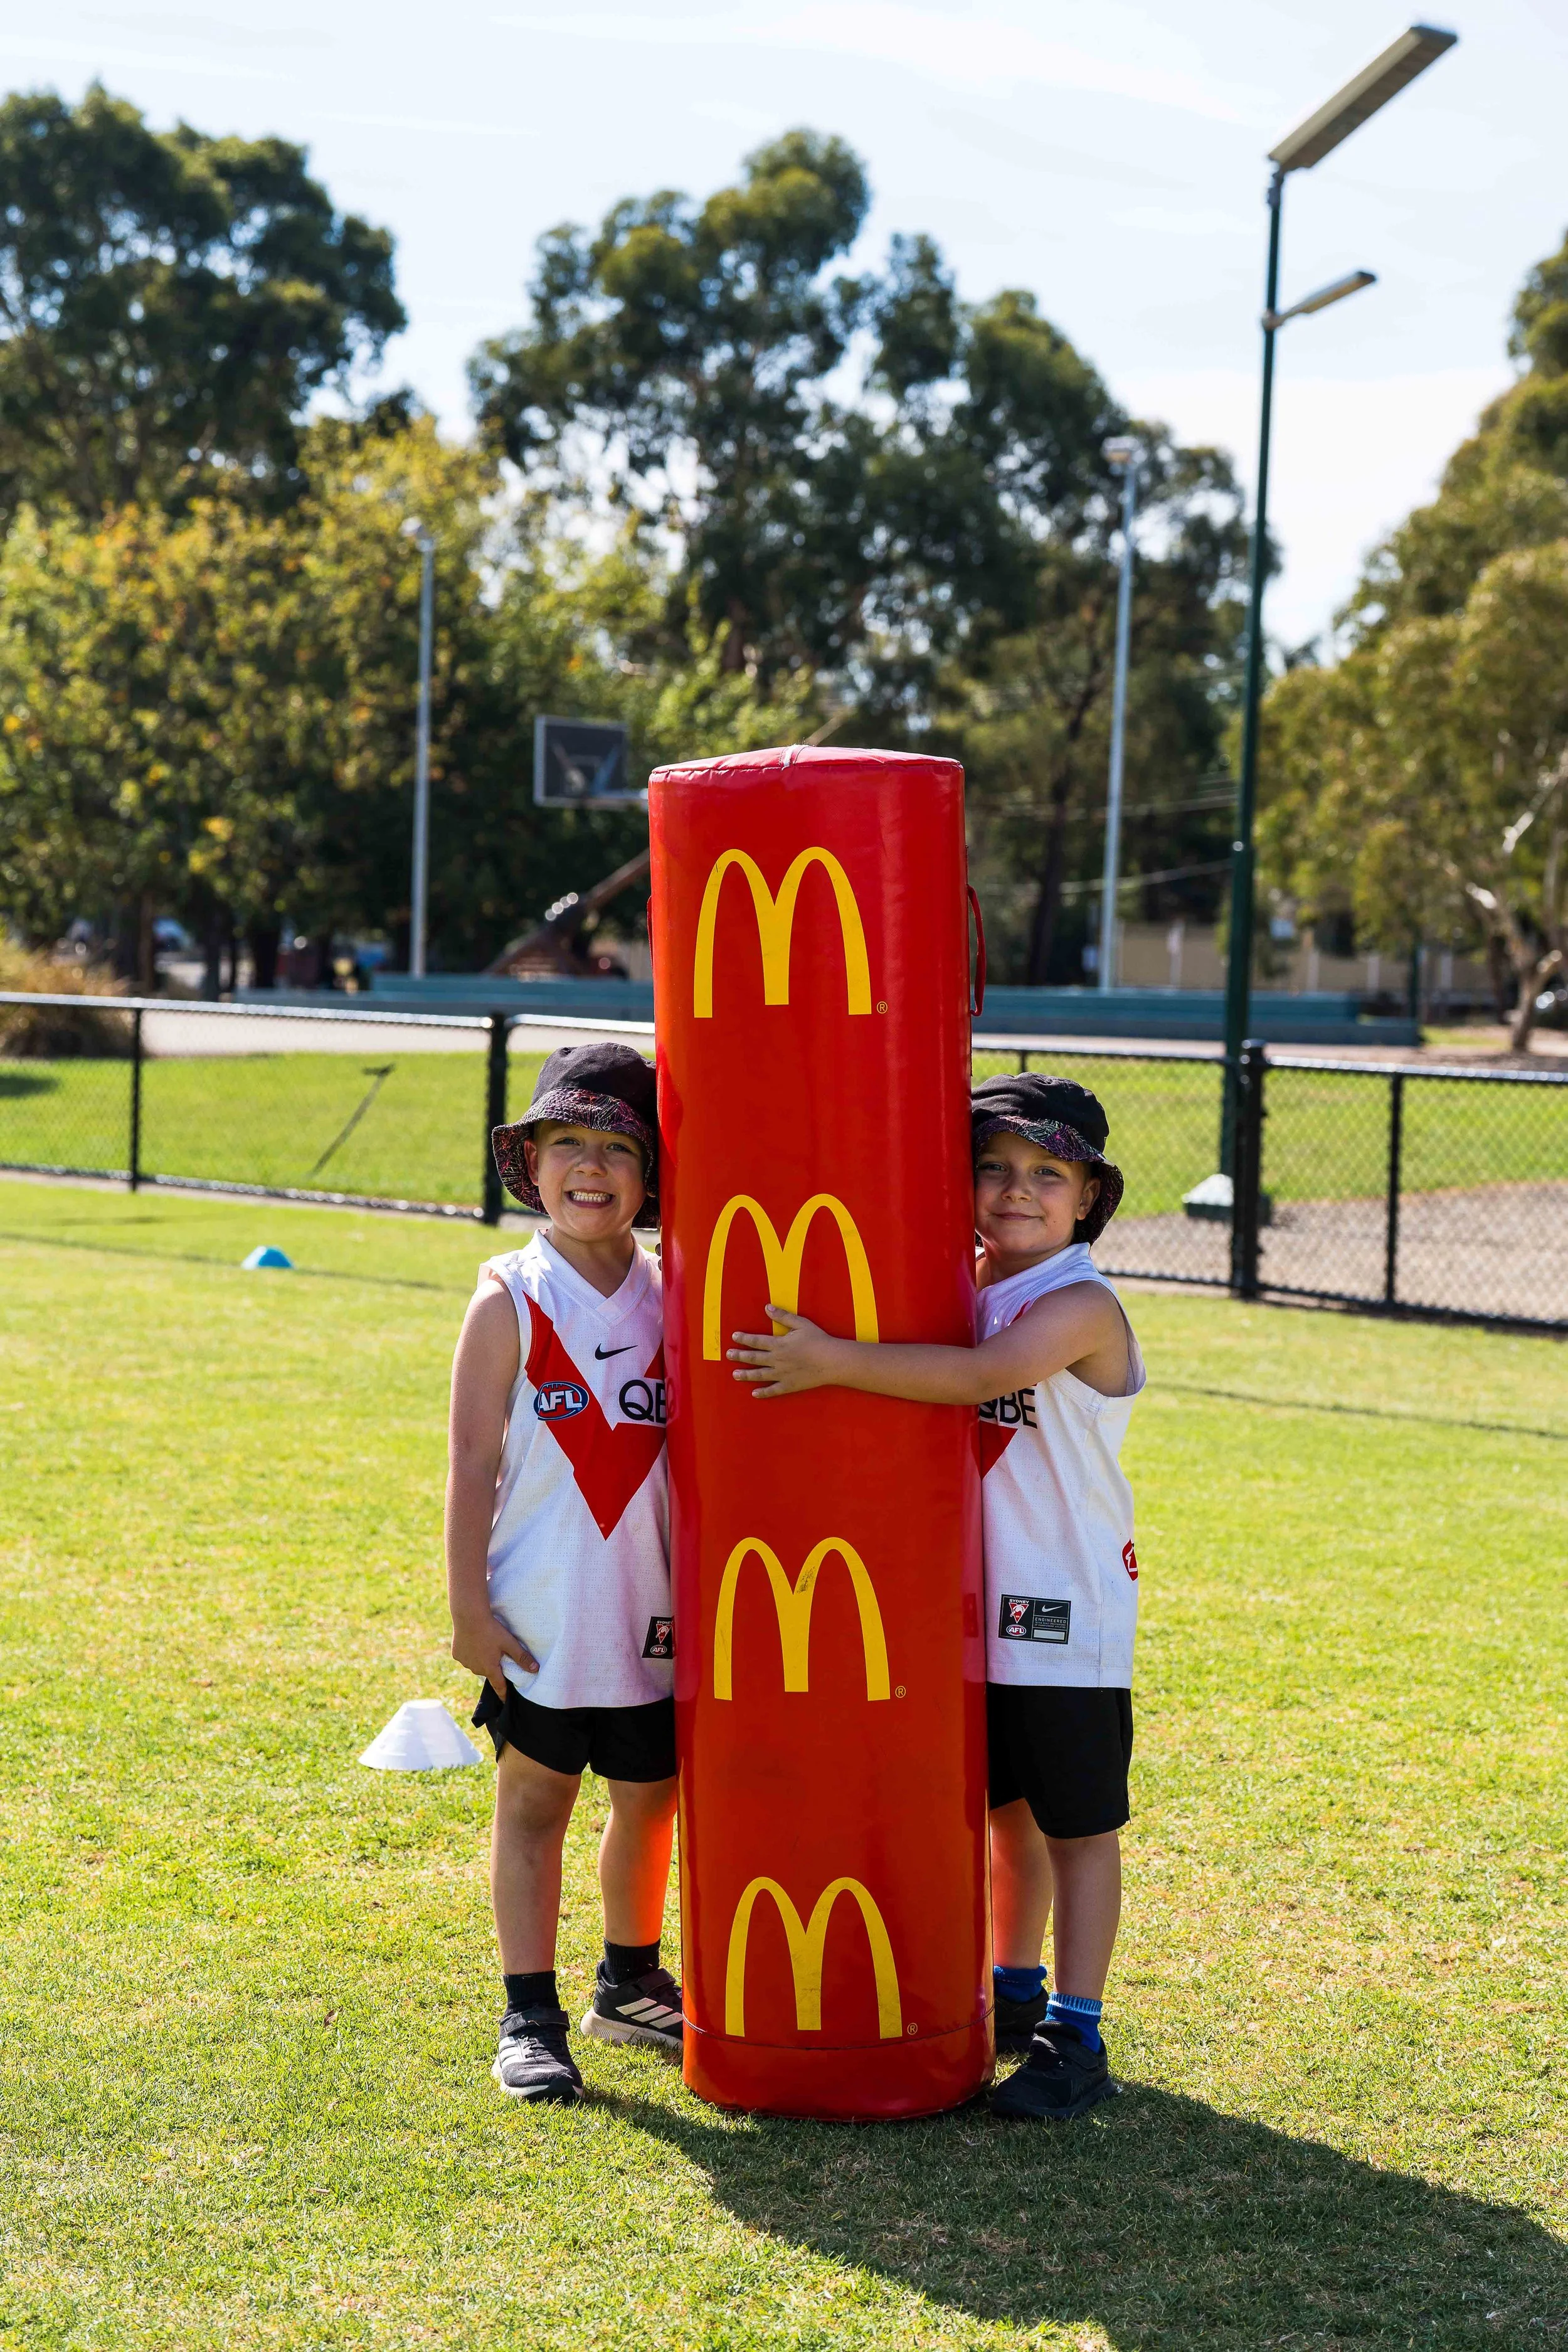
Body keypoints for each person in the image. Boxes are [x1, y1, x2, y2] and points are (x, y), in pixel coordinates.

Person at [728, 1071, 1144, 2122]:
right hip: (967, 1619)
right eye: (994, 1168)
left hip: (1065, 1611)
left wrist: (829, 1358)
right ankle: (1015, 1986)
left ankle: (1078, 2030)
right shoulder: (968, 1277)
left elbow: (975, 1376)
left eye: (1048, 1173)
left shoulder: (1081, 1301)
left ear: (1089, 1196)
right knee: (1004, 1817)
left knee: (1077, 1827)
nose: (1017, 1190)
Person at [446, 1042, 680, 2106]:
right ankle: (529, 2014)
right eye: (567, 1142)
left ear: (649, 1172)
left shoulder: (678, 1296)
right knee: (536, 1805)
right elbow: (471, 1461)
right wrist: (468, 1610)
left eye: (618, 1145)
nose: (591, 1165)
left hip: (655, 1614)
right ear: (529, 1162)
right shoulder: (508, 1297)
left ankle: (629, 1980)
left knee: (652, 1800)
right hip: (541, 1614)